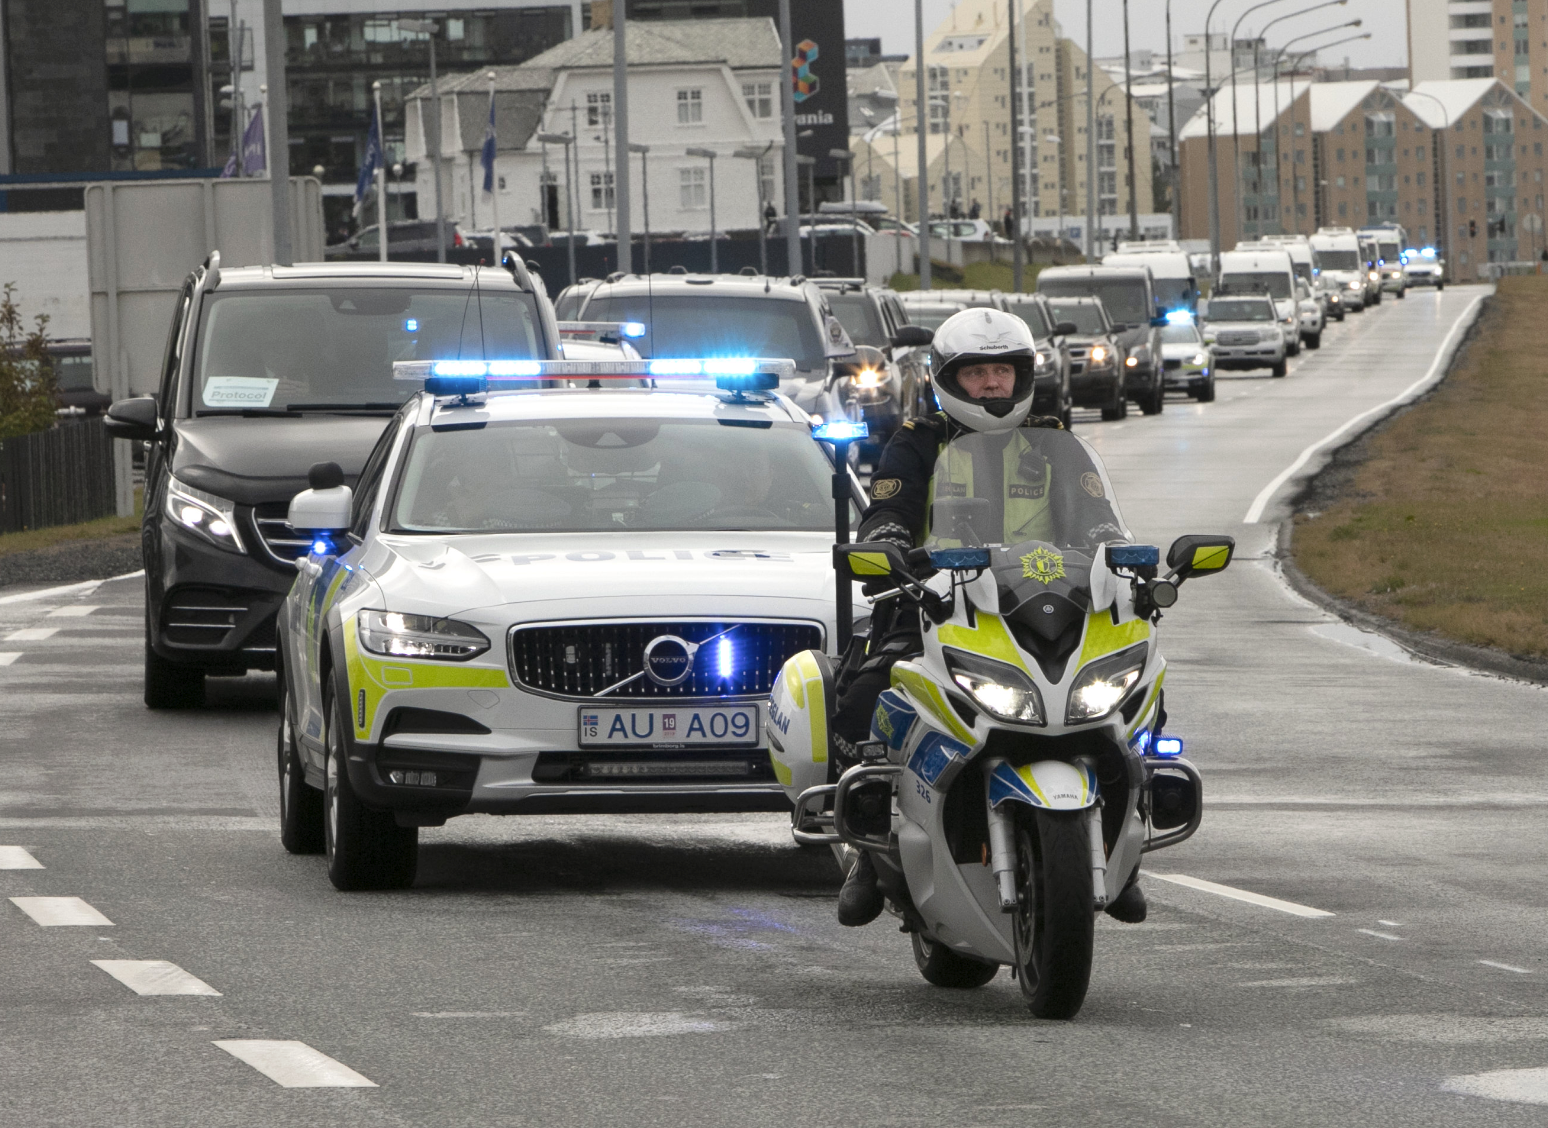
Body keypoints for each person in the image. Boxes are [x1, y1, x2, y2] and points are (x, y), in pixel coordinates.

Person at [831, 306, 1143, 928]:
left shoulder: (1057, 443)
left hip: (1043, 606)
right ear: (949, 377)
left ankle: (1125, 848)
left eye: (1003, 370)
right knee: (865, 690)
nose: (993, 385)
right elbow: (888, 508)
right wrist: (890, 544)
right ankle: (867, 849)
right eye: (977, 374)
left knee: (1133, 693)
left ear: (1024, 375)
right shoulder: (917, 441)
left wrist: (1119, 552)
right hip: (934, 603)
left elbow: (1098, 516)